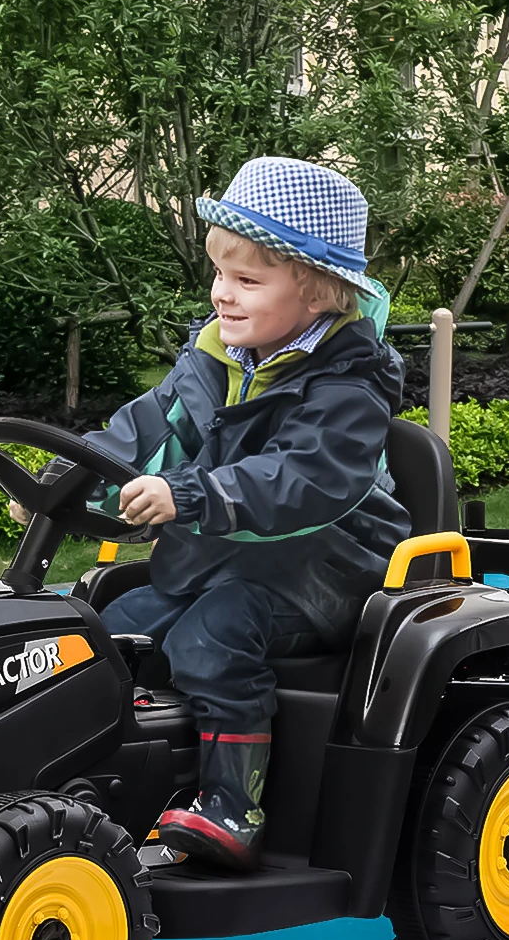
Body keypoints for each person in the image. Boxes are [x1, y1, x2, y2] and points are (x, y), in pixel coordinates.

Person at [52, 157, 411, 872]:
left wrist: (189, 496)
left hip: (328, 568)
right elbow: (141, 432)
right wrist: (66, 480)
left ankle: (232, 806)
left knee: (212, 638)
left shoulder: (349, 384)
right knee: (102, 634)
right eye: (219, 275)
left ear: (320, 294)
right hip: (222, 559)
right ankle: (107, 789)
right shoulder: (213, 361)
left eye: (247, 281)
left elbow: (307, 480)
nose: (223, 294)